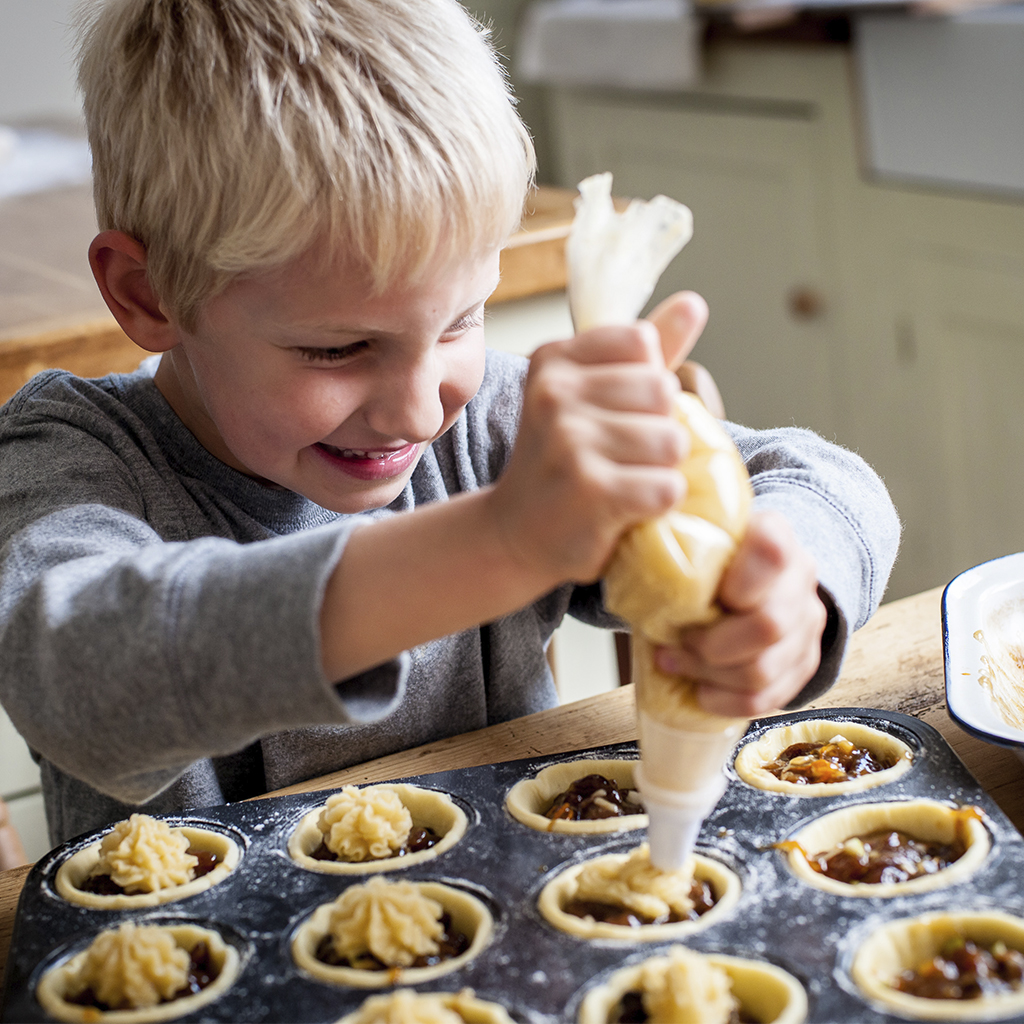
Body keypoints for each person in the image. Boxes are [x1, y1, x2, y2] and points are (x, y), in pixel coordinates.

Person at [0, 0, 899, 847]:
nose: (421, 406)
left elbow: (825, 478)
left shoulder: (494, 425)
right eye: (341, 348)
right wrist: (504, 542)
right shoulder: (70, 461)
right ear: (145, 295)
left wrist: (790, 594)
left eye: (464, 319)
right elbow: (84, 679)